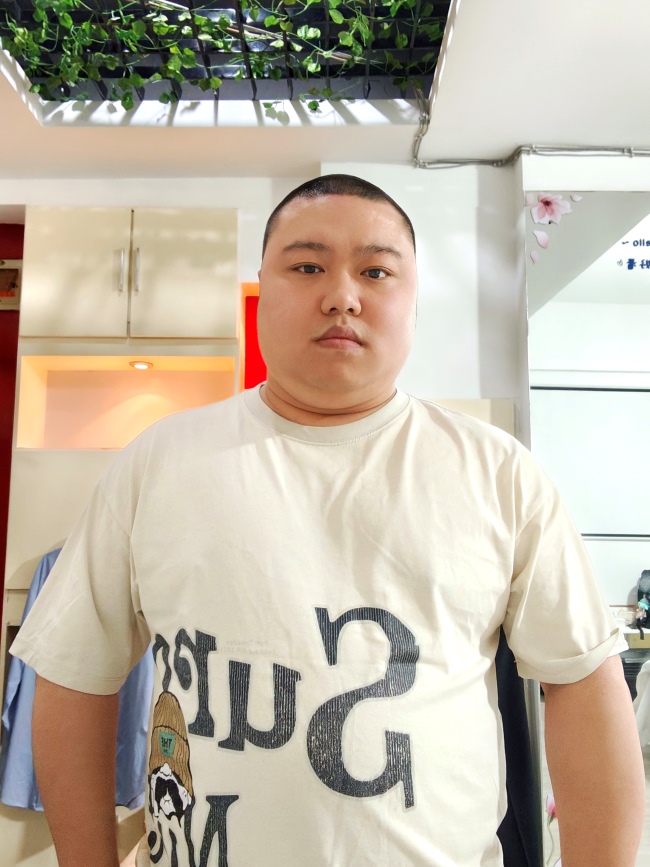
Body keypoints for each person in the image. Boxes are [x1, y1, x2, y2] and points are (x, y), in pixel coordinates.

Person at [10, 175, 645, 867]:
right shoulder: (156, 462)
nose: (342, 295)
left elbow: (582, 684)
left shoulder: (500, 473)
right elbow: (73, 672)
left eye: (375, 271)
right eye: (308, 266)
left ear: (412, 298)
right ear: (263, 288)